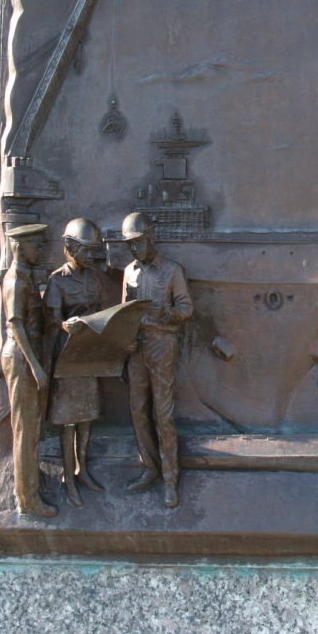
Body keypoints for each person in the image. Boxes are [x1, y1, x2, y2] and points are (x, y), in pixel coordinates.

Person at [120, 211, 193, 507]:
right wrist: (125, 342)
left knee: (162, 414)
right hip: (135, 346)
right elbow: (123, 311)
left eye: (138, 242)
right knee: (138, 411)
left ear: (151, 238)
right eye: (130, 245)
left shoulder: (172, 271)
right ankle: (148, 469)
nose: (135, 249)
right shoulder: (129, 272)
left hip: (162, 343)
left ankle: (170, 478)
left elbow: (187, 308)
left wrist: (167, 313)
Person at [44, 218, 105, 506]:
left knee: (87, 417)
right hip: (67, 354)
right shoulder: (58, 280)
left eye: (94, 251)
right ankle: (68, 478)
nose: (91, 257)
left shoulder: (94, 280)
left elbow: (101, 313)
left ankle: (83, 469)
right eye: (86, 251)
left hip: (88, 354)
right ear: (69, 248)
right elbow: (50, 318)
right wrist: (63, 325)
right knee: (68, 421)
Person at [0, 222, 56, 517]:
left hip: (30, 354)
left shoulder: (27, 277)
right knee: (25, 430)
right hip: (23, 358)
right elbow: (16, 325)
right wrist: (36, 367)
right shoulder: (16, 282)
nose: (41, 251)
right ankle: (28, 499)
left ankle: (28, 479)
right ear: (20, 248)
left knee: (32, 426)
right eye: (37, 246)